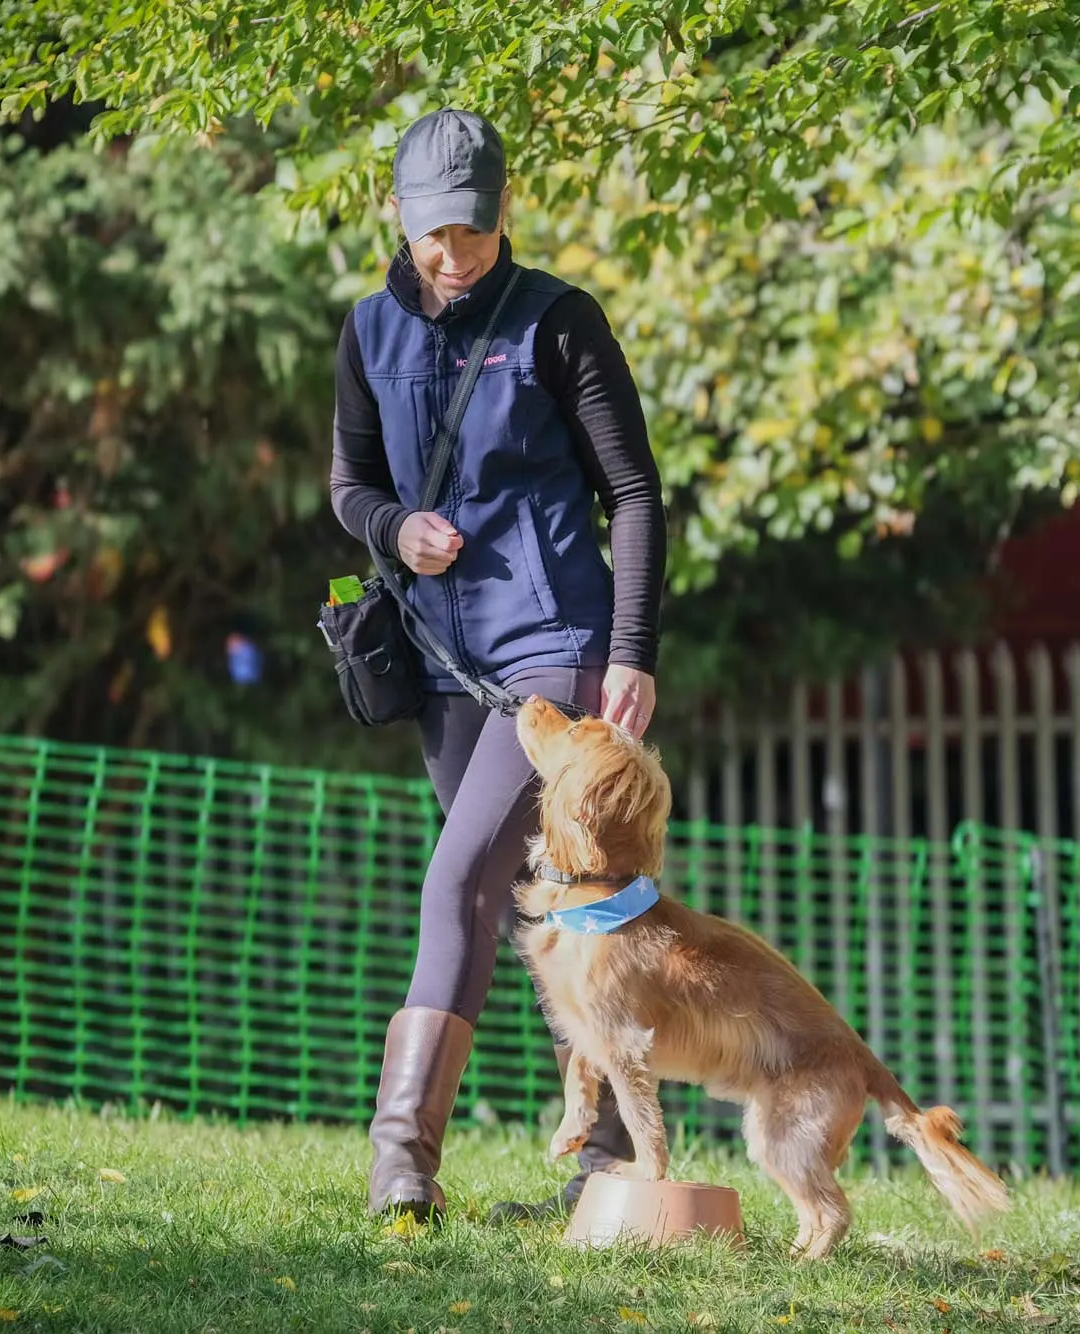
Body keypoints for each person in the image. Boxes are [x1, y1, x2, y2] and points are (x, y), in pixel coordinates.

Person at [328, 106, 667, 1225]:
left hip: (555, 648)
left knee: (461, 879)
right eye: (435, 232)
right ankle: (612, 1154)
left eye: (472, 229)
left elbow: (632, 492)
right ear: (398, 214)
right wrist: (394, 530)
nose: (454, 252)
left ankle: (400, 1163)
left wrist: (630, 650)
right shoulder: (367, 331)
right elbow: (349, 486)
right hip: (440, 661)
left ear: (504, 208)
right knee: (542, 904)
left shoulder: (559, 322)